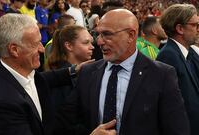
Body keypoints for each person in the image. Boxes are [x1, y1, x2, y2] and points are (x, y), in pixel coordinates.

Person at [55, 9, 190, 135]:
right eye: (98, 34)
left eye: (107, 34)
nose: (99, 41)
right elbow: (63, 126)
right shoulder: (88, 73)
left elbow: (177, 130)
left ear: (131, 35)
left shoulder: (162, 75)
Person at [0, 13, 109, 135]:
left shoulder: (11, 68)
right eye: (35, 44)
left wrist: (72, 71)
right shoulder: (4, 103)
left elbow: (41, 78)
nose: (42, 48)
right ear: (14, 50)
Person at [156, 4, 199, 135]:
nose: (198, 29)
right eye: (195, 25)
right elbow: (169, 107)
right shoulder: (168, 56)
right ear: (180, 28)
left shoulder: (192, 52)